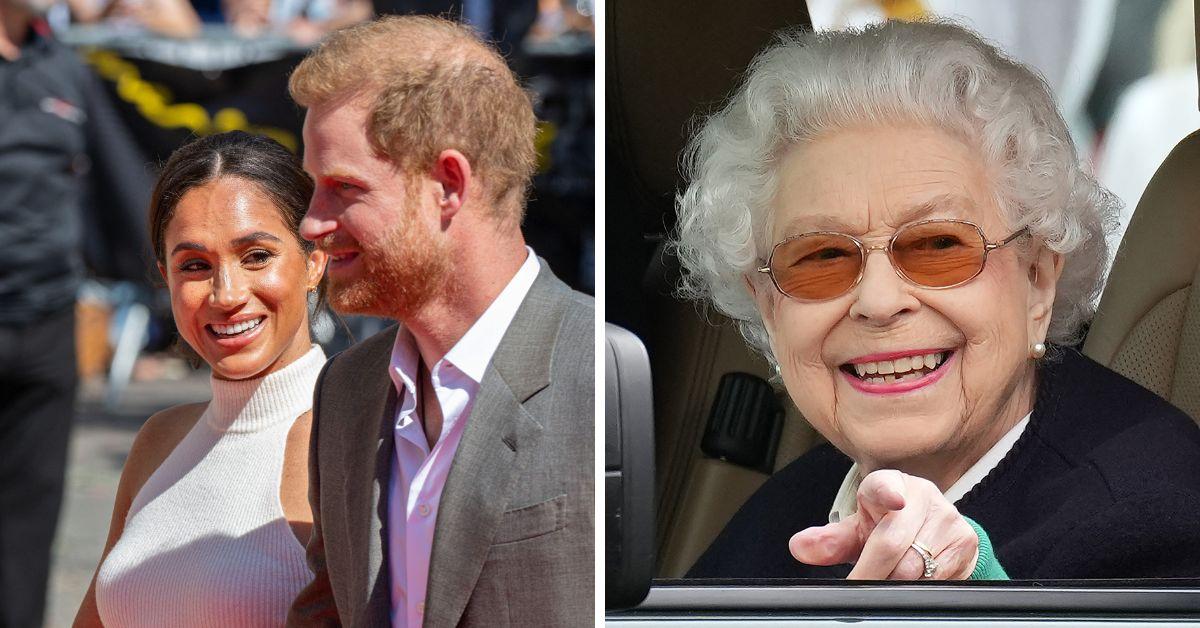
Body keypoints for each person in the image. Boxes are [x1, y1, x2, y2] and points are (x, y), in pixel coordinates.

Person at [675, 20, 1200, 581]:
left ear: (1038, 283)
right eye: (822, 258)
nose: (877, 301)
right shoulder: (794, 508)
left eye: (938, 246)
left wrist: (977, 589)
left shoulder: (1152, 520)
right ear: (767, 304)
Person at [285, 15, 594, 626]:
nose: (310, 223)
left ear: (448, 184)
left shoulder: (595, 376)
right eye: (312, 188)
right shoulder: (346, 391)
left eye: (342, 188)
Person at [73, 131, 329, 626]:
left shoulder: (354, 437)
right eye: (195, 265)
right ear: (165, 277)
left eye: (256, 255)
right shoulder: (160, 439)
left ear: (314, 260)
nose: (225, 293)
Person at [1, 0, 151, 623]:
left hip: (47, 322)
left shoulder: (65, 68)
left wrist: (183, 270)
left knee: (29, 528)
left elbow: (125, 187)